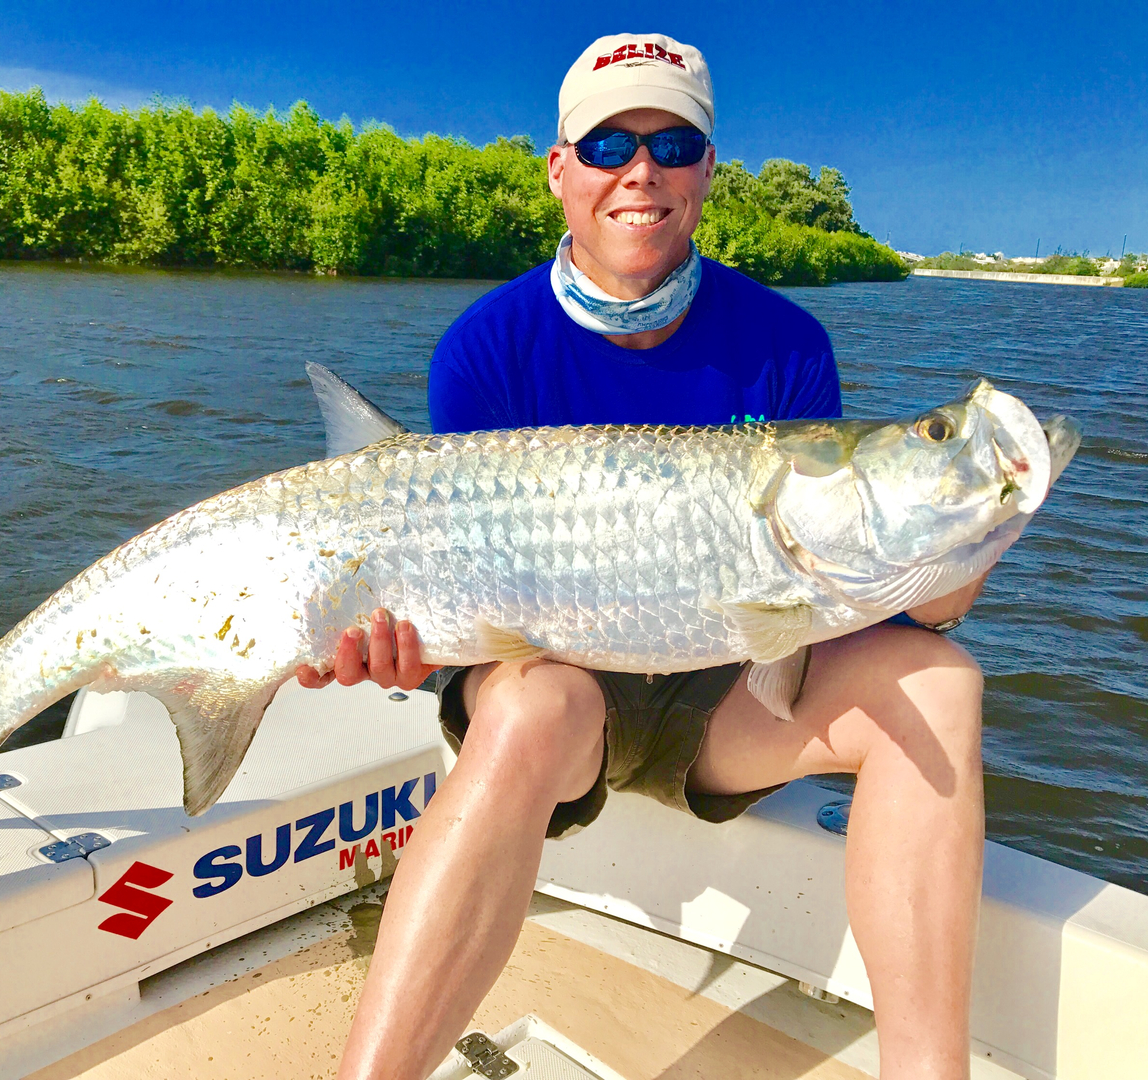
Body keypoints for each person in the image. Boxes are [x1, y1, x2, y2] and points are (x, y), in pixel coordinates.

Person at [299, 32, 985, 1080]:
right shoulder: (487, 348)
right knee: (533, 704)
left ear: (709, 171)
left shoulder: (788, 342)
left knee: (940, 682)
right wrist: (395, 647)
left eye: (675, 145)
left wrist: (944, 576)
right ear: (561, 167)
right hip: (562, 706)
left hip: (729, 703)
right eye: (612, 140)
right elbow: (467, 619)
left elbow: (822, 597)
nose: (642, 172)